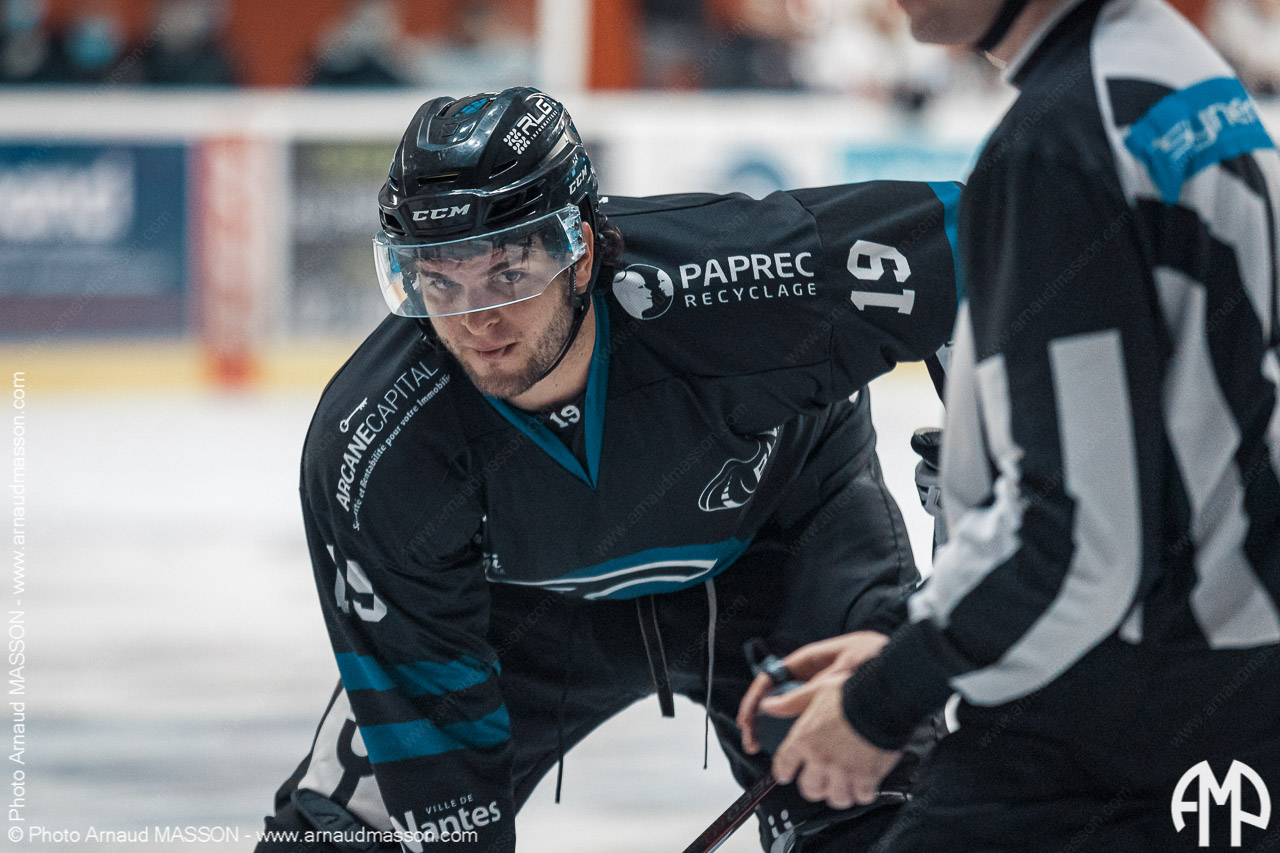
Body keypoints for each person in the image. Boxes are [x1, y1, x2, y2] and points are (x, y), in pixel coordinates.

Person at [255, 87, 961, 853]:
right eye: (440, 280)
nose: (475, 320)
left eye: (508, 273)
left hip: (783, 551)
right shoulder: (375, 448)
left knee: (884, 823)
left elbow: (986, 243)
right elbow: (431, 749)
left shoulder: (741, 277)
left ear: (582, 251)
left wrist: (989, 461)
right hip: (525, 608)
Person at [739, 0, 1280, 849]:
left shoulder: (1056, 144)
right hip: (1221, 678)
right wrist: (904, 639)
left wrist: (884, 698)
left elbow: (1078, 537)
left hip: (1105, 714)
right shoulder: (1170, 68)